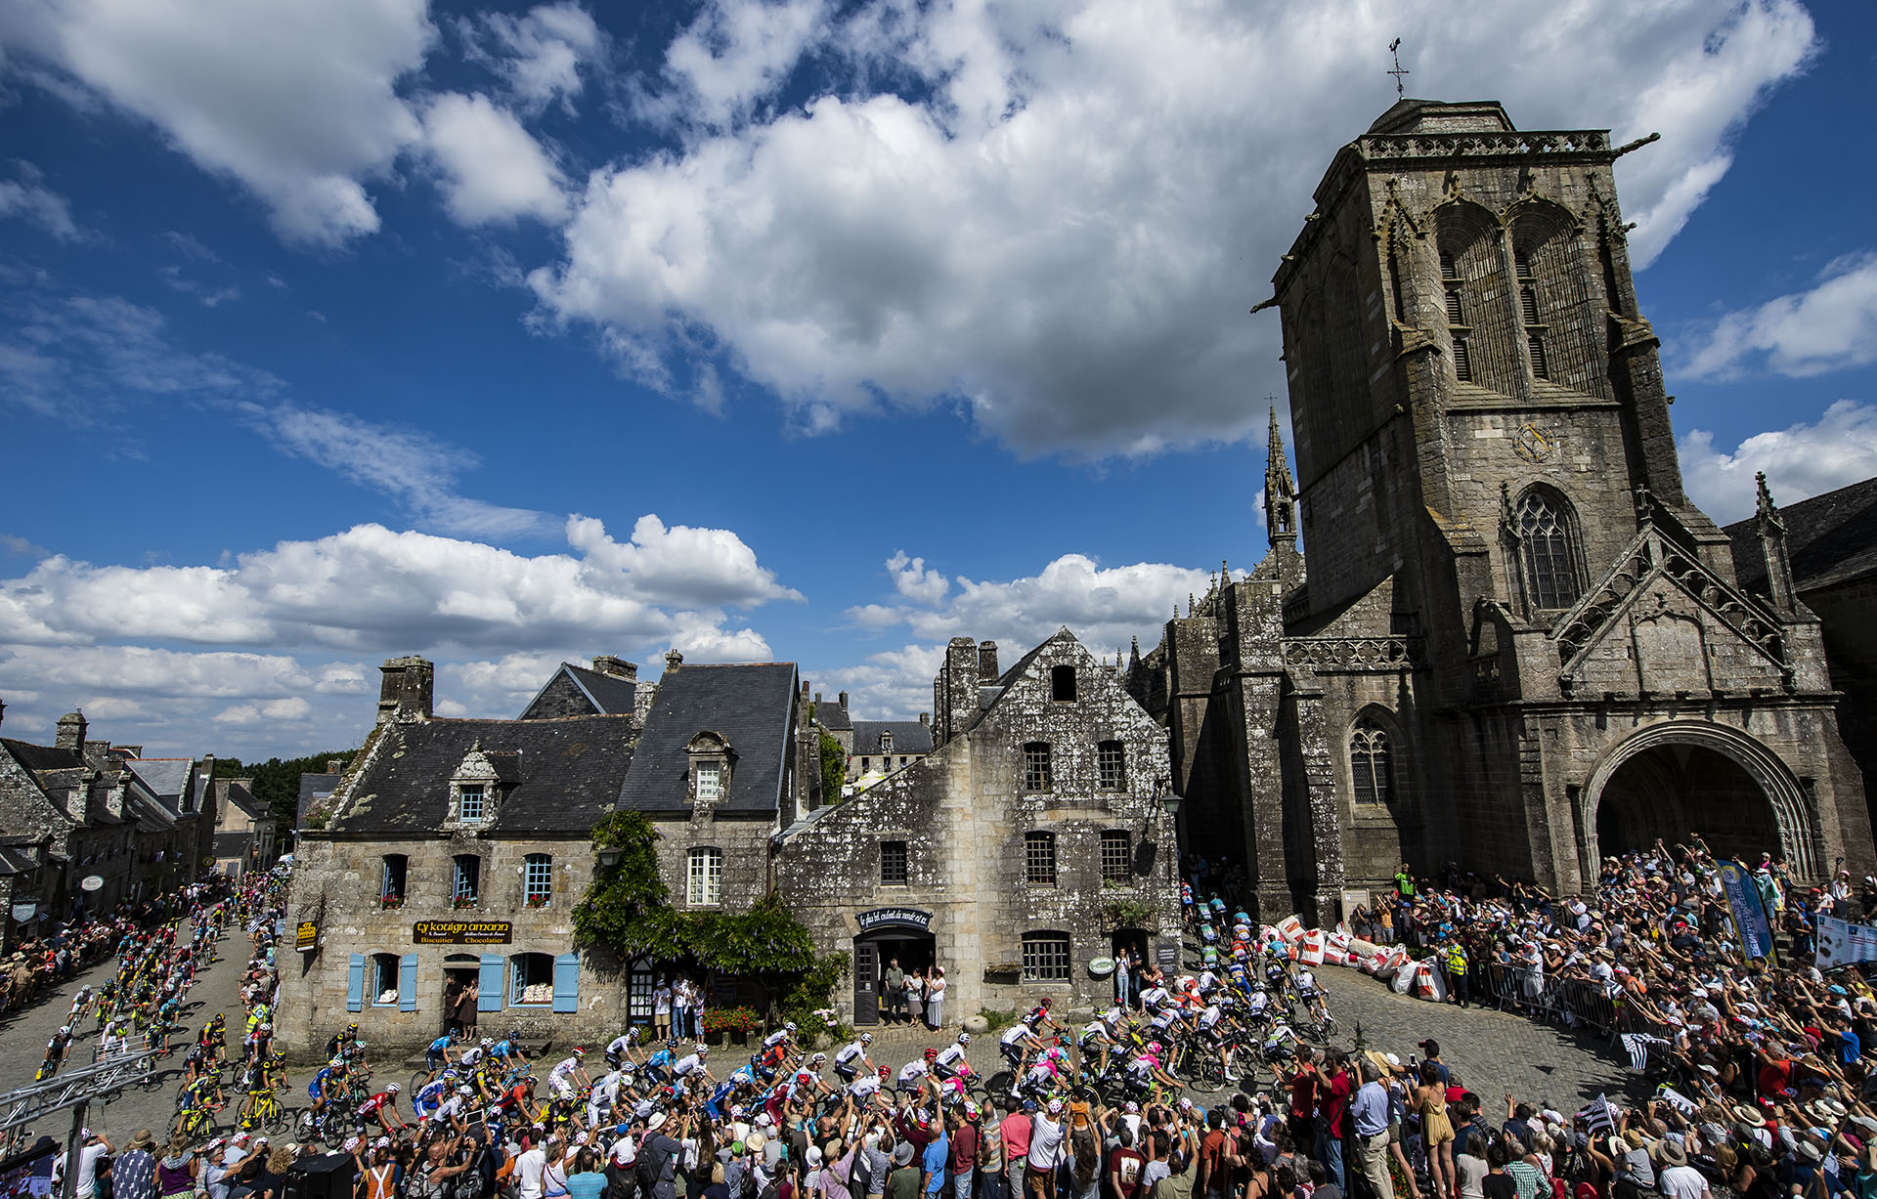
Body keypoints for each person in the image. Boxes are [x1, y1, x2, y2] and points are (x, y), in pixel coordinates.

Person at [884, 959, 906, 1026]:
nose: (894, 965)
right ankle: (888, 1020)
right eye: (893, 964)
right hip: (891, 989)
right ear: (891, 964)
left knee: (898, 1005)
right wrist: (888, 988)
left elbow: (902, 979)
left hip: (898, 989)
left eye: (895, 964)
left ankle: (898, 1019)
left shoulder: (900, 970)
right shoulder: (889, 970)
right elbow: (886, 980)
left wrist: (902, 985)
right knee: (890, 1005)